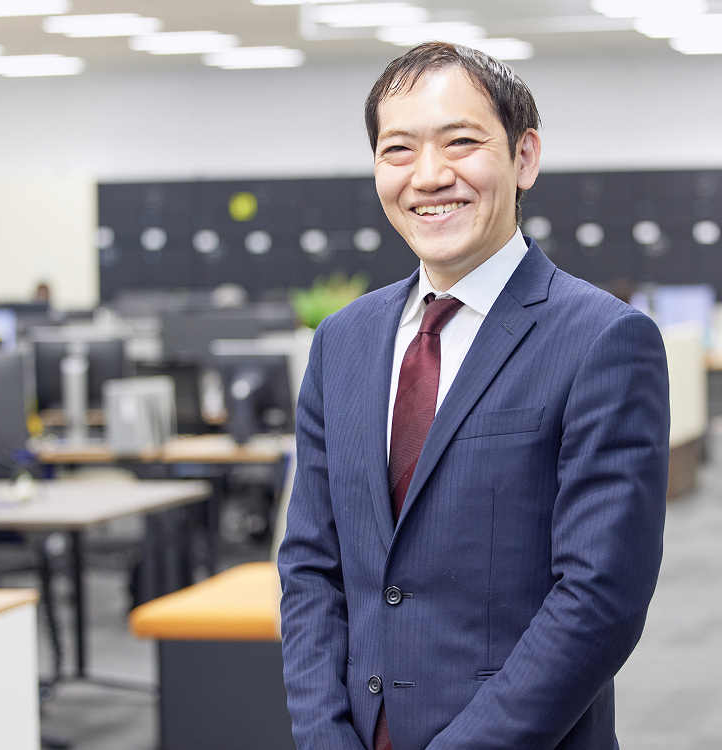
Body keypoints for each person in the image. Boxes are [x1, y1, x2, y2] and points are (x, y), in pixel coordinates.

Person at [278, 42, 670, 750]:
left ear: (524, 158)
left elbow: (599, 599)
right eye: (398, 149)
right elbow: (311, 565)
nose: (429, 175)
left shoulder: (603, 340)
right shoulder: (342, 341)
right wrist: (323, 736)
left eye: (460, 142)